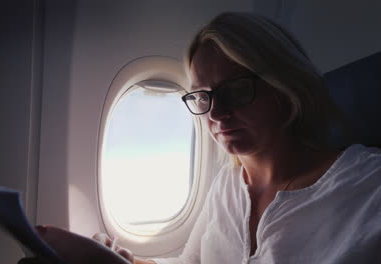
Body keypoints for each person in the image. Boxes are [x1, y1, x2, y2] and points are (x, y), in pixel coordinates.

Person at [20, 12, 381, 264]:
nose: (217, 114)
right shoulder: (229, 185)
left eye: (237, 90)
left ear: (283, 86)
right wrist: (121, 260)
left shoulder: (368, 188)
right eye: (203, 96)